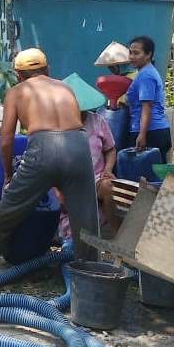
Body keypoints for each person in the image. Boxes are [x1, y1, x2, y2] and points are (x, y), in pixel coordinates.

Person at [0, 48, 99, 265]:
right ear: (47, 70)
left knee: (14, 200)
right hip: (78, 144)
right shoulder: (65, 87)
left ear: (18, 76)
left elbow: (6, 139)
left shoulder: (17, 92)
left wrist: (9, 175)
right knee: (86, 211)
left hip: (43, 147)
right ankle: (92, 266)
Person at [57, 73, 118, 239]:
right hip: (68, 182)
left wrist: (108, 169)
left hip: (96, 178)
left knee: (109, 187)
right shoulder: (56, 125)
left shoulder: (98, 121)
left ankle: (117, 235)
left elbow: (111, 149)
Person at [126, 35, 172, 162]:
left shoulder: (146, 75)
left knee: (146, 178)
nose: (131, 57)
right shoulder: (145, 72)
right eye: (130, 52)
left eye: (136, 53)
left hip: (150, 132)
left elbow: (147, 107)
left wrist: (142, 134)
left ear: (148, 54)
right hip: (153, 130)